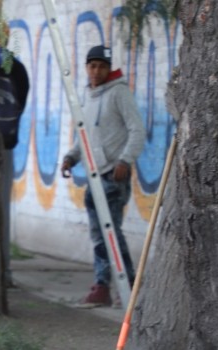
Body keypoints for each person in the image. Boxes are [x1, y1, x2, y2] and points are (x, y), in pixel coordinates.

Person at [60, 44, 145, 307]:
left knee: (112, 233)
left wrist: (125, 160)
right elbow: (86, 134)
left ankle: (128, 284)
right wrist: (72, 157)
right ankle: (102, 286)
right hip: (94, 177)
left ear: (109, 68)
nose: (96, 71)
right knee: (98, 234)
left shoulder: (119, 93)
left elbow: (137, 130)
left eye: (101, 66)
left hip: (114, 174)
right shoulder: (87, 95)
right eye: (92, 66)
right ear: (86, 68)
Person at [0, 44, 29, 288]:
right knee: (1, 212)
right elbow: (21, 105)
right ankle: (3, 274)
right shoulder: (17, 68)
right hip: (4, 145)